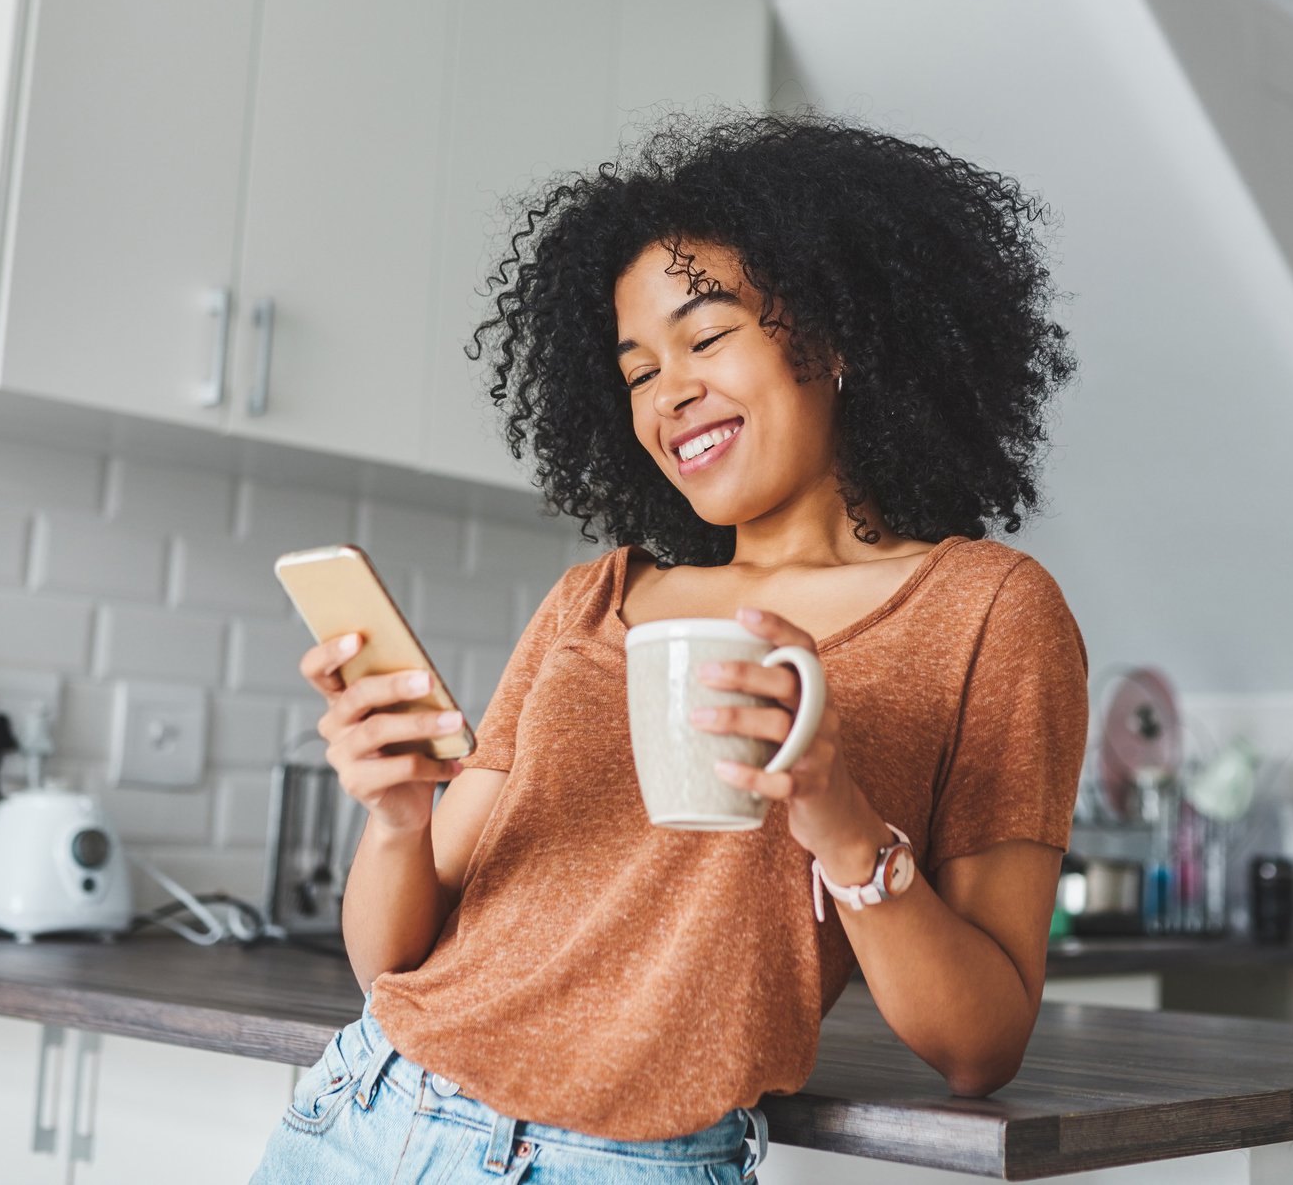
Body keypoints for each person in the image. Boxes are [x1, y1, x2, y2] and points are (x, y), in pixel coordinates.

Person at [250, 110, 1088, 1184]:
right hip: (365, 1114)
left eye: (706, 337)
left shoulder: (987, 613)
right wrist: (397, 816)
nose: (670, 392)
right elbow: (393, 964)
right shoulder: (592, 599)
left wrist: (838, 818)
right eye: (638, 368)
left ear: (833, 333)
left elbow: (983, 1045)